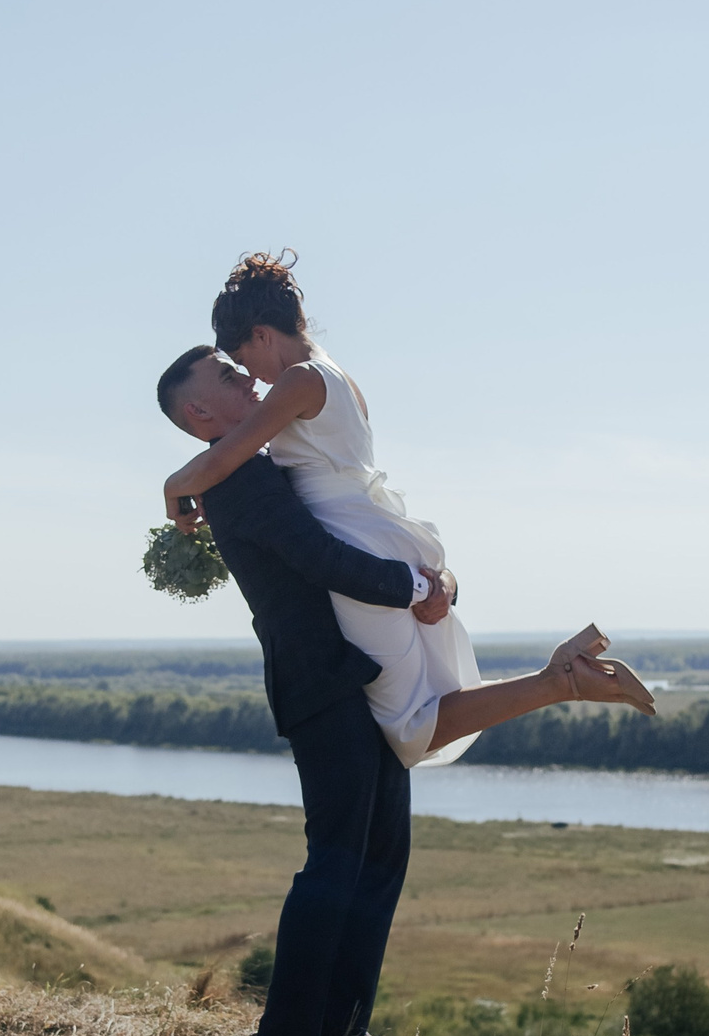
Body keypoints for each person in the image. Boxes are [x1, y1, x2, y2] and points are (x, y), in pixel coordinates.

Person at [156, 362, 651, 1036]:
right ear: (200, 410)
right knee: (334, 864)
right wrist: (419, 588)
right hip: (321, 685)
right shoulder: (237, 479)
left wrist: (437, 580)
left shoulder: (240, 465)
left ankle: (338, 1029)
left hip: (352, 676)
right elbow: (319, 557)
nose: (247, 378)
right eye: (227, 374)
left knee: (380, 860)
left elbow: (320, 510)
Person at [162, 252, 646, 769]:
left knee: (411, 727)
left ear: (261, 335)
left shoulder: (299, 380)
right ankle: (559, 679)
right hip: (383, 528)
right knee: (421, 709)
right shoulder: (335, 373)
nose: (250, 377)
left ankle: (561, 681)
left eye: (241, 358)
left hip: (355, 542)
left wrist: (173, 486)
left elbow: (228, 454)